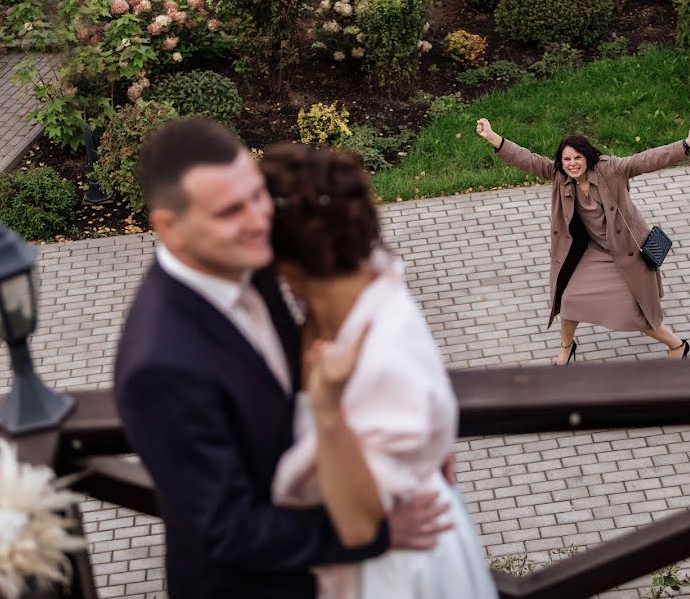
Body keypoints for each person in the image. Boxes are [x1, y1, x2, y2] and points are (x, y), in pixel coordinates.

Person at [114, 118, 452, 599]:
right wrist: (375, 528)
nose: (258, 220)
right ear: (170, 228)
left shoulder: (248, 256)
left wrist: (415, 448)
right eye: (231, 210)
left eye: (257, 195)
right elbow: (228, 528)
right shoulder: (160, 365)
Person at [262, 143, 498, 599]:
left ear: (288, 267)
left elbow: (357, 524)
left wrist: (328, 408)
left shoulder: (384, 354)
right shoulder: (360, 283)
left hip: (395, 569)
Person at [476, 118, 690, 365]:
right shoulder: (560, 177)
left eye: (577, 158)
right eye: (566, 160)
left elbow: (646, 159)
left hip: (626, 252)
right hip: (595, 252)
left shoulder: (611, 170)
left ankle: (677, 345)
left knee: (638, 312)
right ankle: (567, 347)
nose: (572, 164)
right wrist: (492, 137)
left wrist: (686, 144)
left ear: (587, 157)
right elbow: (528, 159)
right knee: (569, 299)